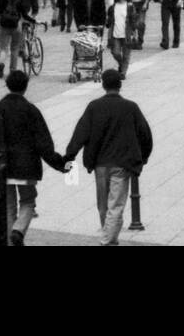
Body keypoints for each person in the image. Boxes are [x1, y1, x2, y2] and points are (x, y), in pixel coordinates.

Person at [63, 69, 154, 246]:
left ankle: (108, 239)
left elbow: (80, 133)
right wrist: (143, 157)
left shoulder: (94, 106)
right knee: (116, 205)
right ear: (119, 85)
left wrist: (69, 156)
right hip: (122, 163)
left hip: (100, 164)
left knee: (103, 206)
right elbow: (145, 135)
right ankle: (107, 241)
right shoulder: (131, 107)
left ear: (103, 85)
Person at [0, 69, 69, 246]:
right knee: (28, 202)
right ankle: (18, 230)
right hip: (26, 166)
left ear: (7, 85)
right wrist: (60, 164)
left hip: (4, 166)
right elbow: (43, 143)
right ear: (26, 87)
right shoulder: (30, 110)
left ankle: (11, 240)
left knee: (8, 206)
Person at [0, 0, 39, 77]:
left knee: (4, 47)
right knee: (14, 47)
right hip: (19, 17)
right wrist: (33, 18)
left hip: (7, 19)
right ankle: (13, 69)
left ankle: (2, 64)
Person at [106, 0, 132, 78]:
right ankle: (121, 64)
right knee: (115, 52)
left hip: (127, 34)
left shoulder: (129, 6)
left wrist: (134, 32)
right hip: (115, 34)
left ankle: (123, 73)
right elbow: (109, 21)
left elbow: (134, 20)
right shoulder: (112, 7)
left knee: (126, 55)